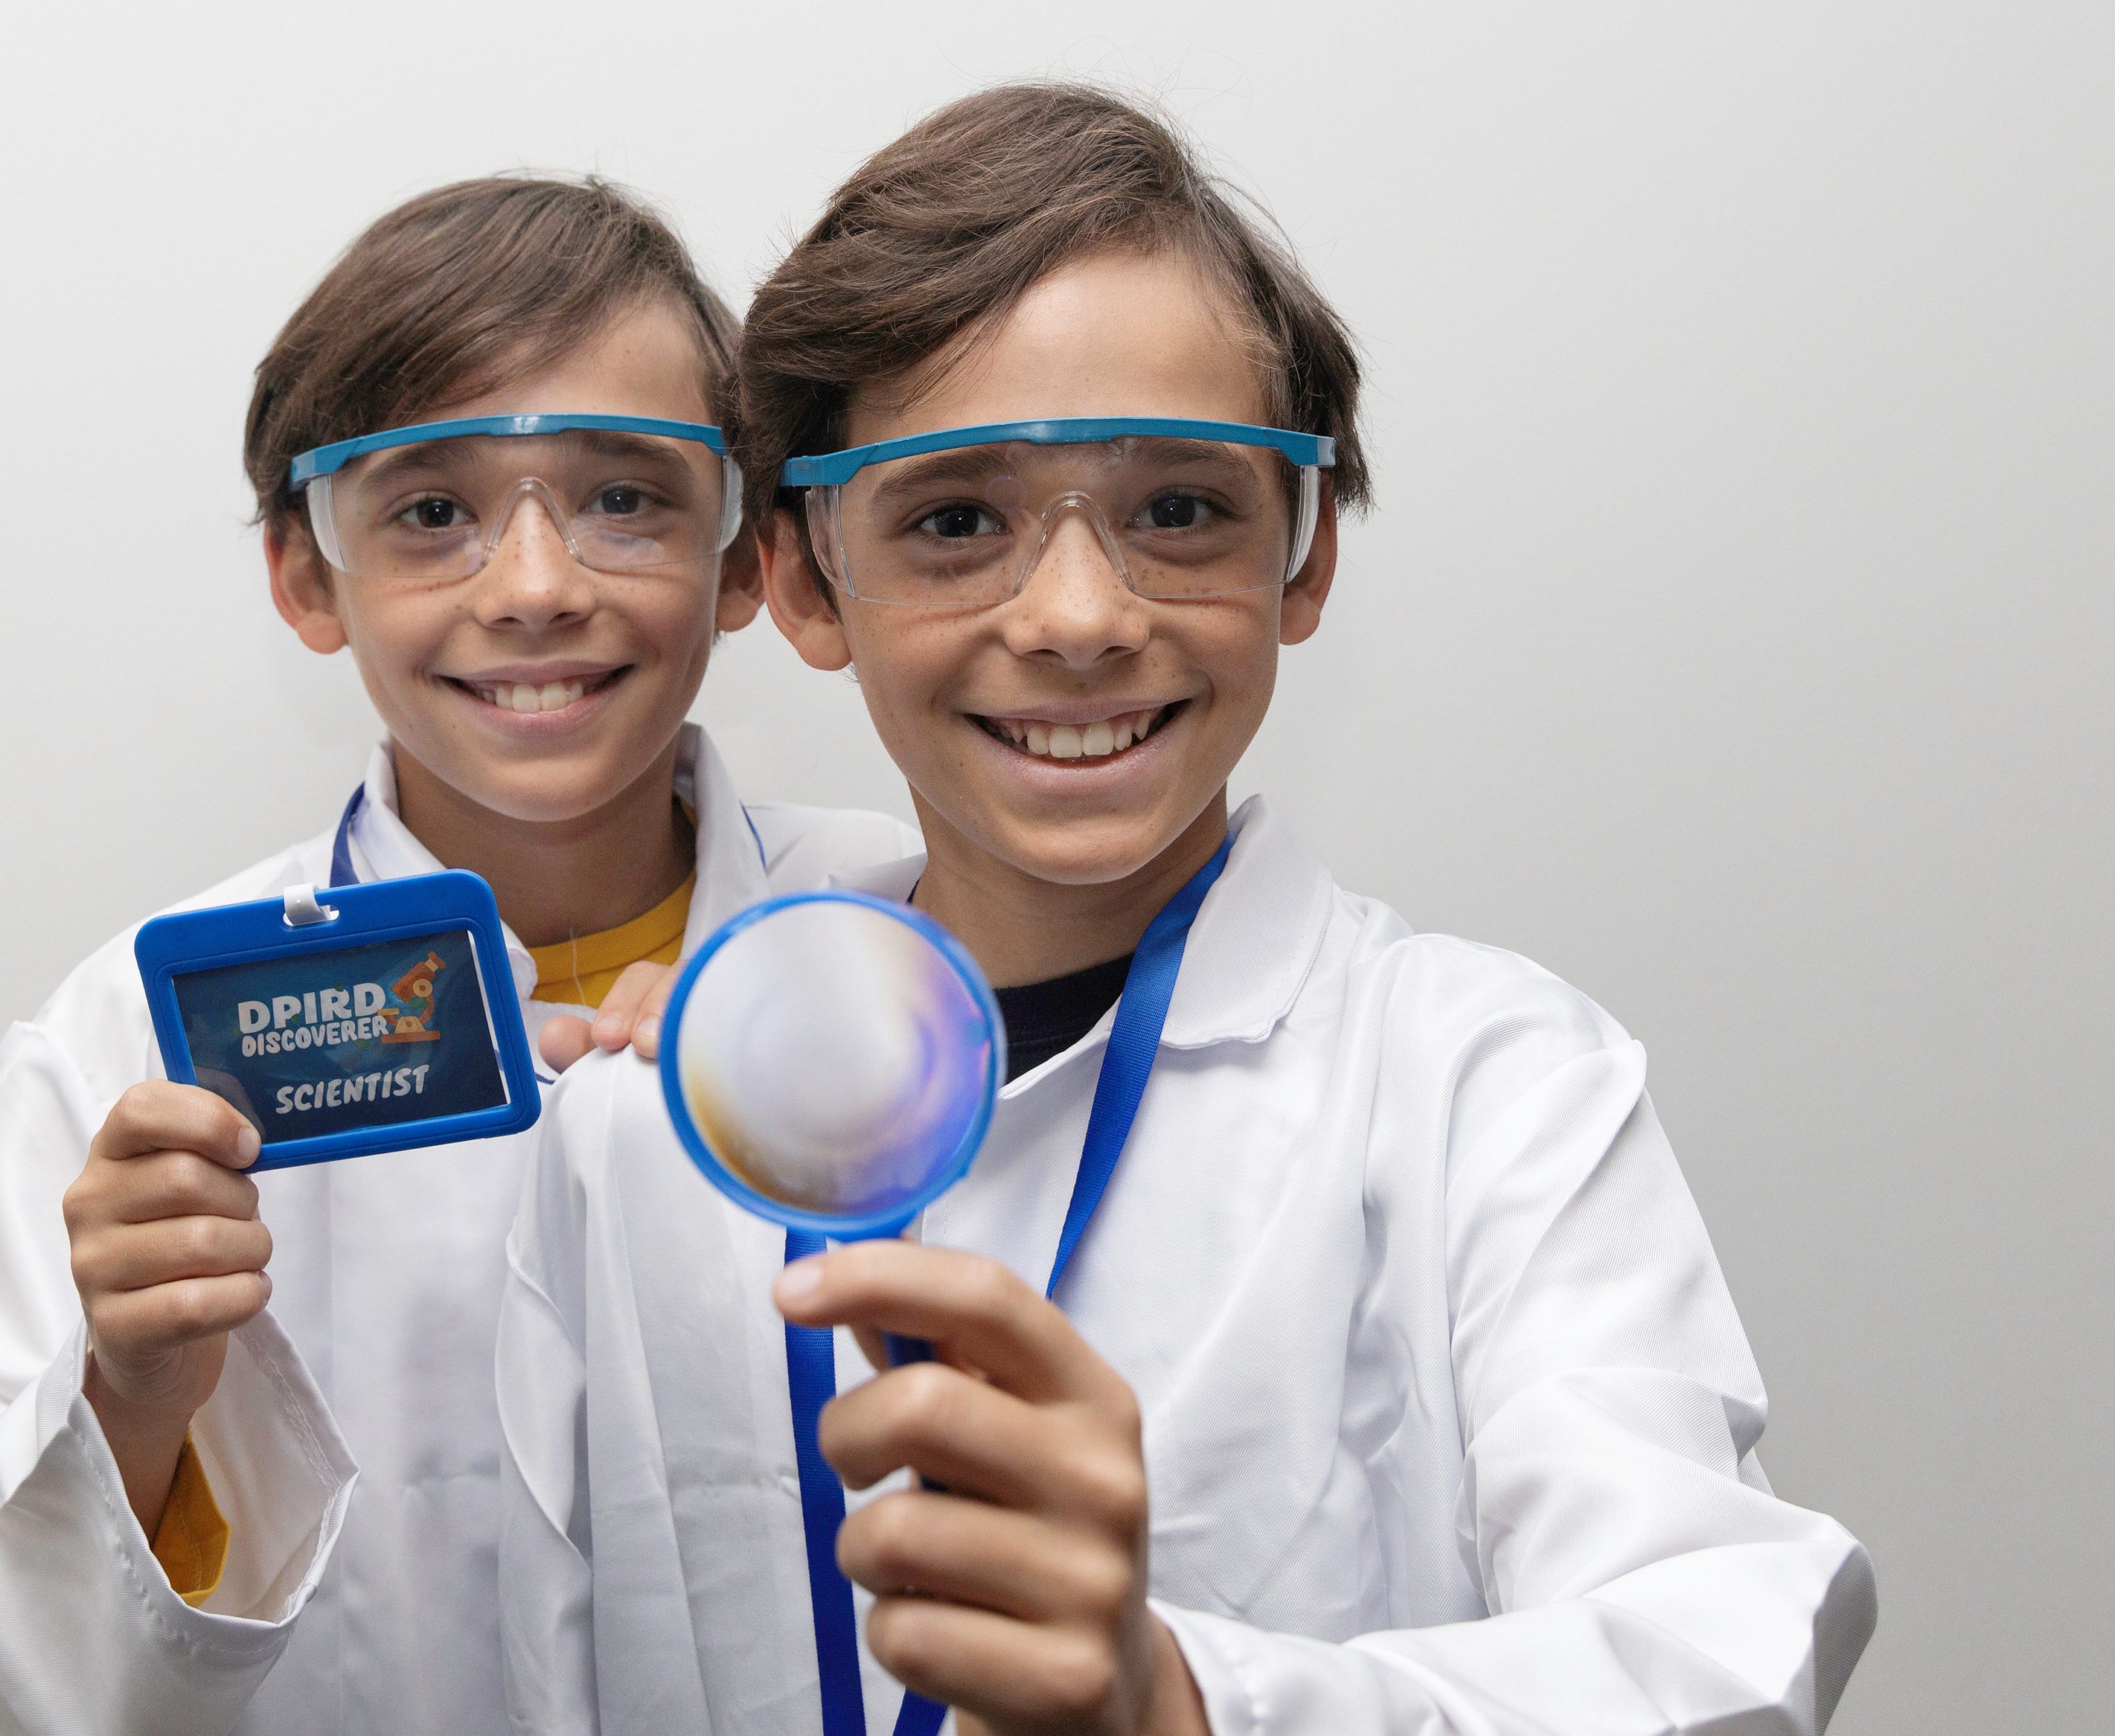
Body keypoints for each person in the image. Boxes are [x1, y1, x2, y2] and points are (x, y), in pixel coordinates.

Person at [498, 85, 1878, 1736]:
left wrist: (1178, 1704)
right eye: (954, 522)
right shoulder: (660, 1108)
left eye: (1180, 512)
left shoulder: (1482, 1084)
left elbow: (1719, 1652)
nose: (1079, 617)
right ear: (799, 581)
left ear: (1301, 561)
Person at [0, 176, 916, 1735]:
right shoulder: (135, 1045)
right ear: (303, 576)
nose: (536, 586)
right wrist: (133, 1402)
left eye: (626, 496)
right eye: (429, 511)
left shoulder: (903, 955)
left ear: (746, 558)